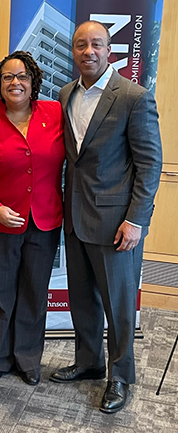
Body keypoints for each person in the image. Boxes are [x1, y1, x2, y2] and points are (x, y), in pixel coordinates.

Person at [49, 21, 162, 414]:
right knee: (81, 299)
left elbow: (149, 164)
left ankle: (121, 376)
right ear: (74, 51)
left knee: (118, 306)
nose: (88, 51)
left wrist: (136, 220)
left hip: (118, 224)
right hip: (76, 217)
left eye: (96, 44)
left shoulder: (133, 96)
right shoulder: (66, 94)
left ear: (109, 49)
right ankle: (90, 362)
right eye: (81, 44)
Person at [0, 50, 64, 386]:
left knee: (35, 292)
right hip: (0, 224)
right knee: (0, 292)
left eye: (22, 76)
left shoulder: (55, 114)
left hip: (45, 219)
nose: (15, 82)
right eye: (8, 77)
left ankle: (29, 358)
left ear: (34, 82)